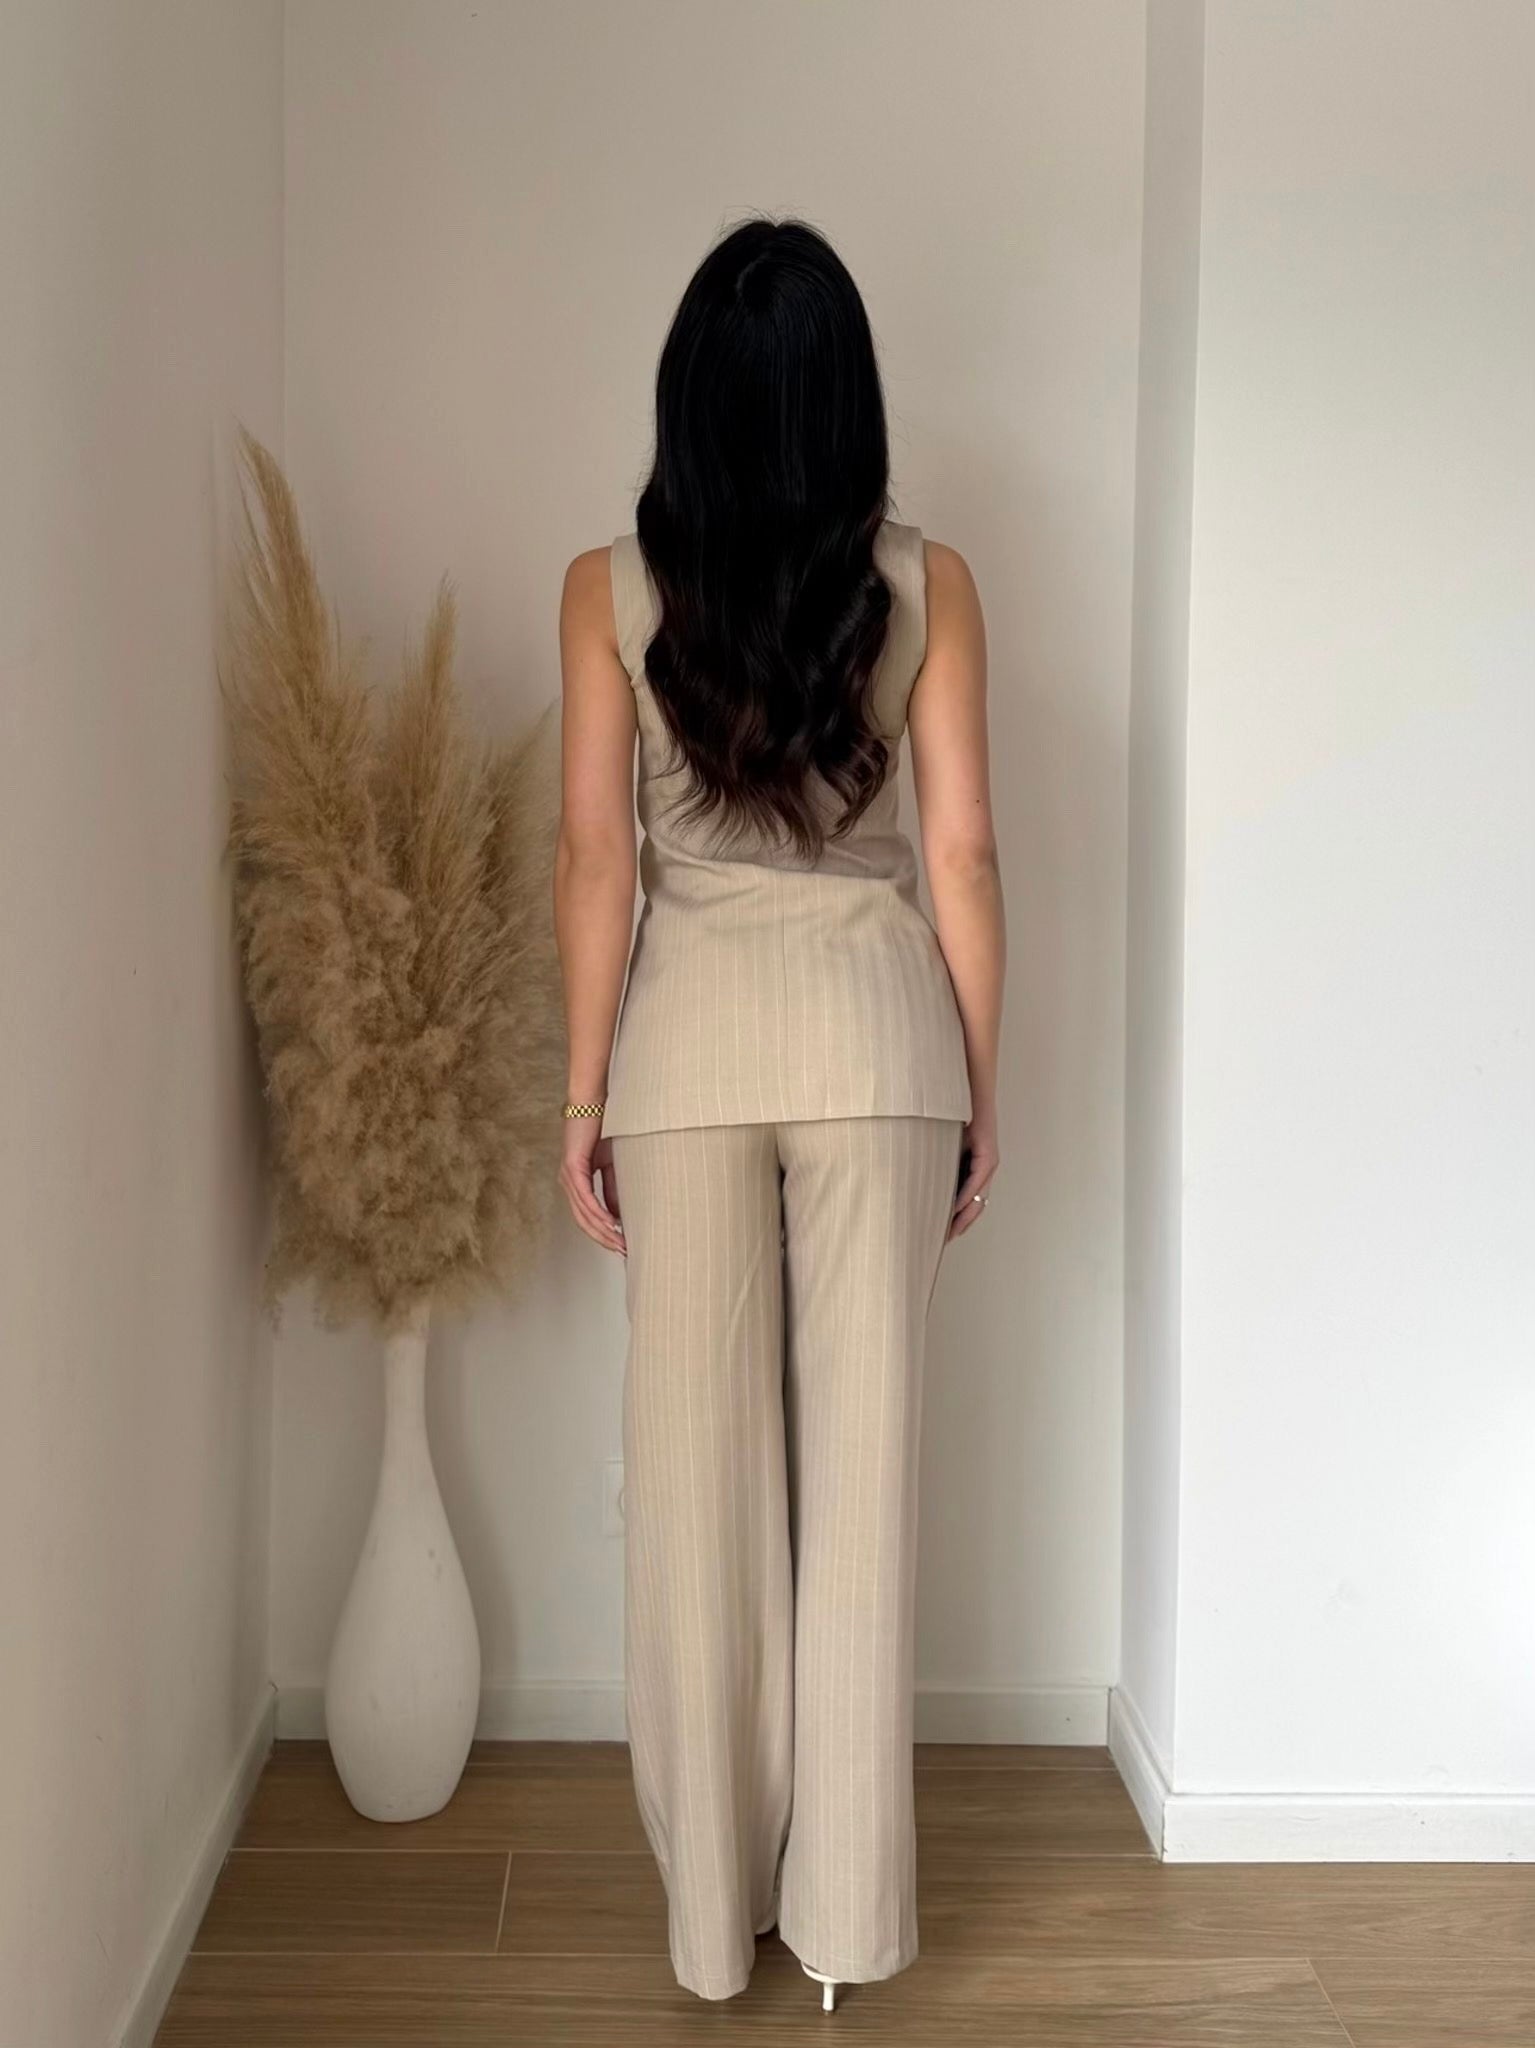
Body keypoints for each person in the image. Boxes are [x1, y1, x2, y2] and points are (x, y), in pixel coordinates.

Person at [552, 214, 1004, 2007]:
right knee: (863, 1492)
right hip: (883, 1050)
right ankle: (845, 1931)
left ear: (690, 395)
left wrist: (580, 1093)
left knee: (699, 1499)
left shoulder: (606, 591)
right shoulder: (932, 586)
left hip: (685, 1062)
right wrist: (984, 1086)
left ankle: (711, 1925)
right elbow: (960, 855)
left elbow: (597, 861)